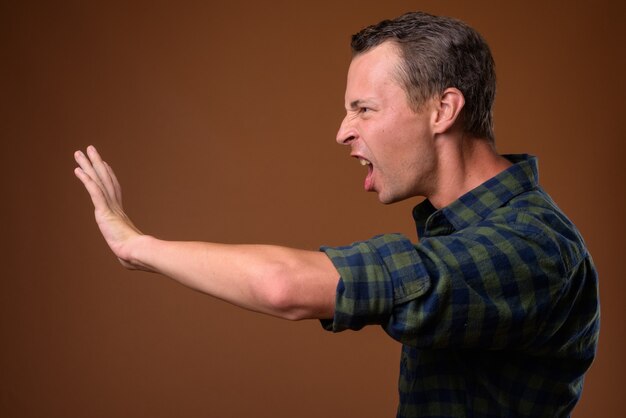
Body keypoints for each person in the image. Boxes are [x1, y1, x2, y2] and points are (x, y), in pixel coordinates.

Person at [74, 11, 600, 418]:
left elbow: (286, 287)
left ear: (443, 111)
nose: (342, 131)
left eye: (364, 109)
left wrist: (135, 245)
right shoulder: (465, 230)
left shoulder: (533, 247)